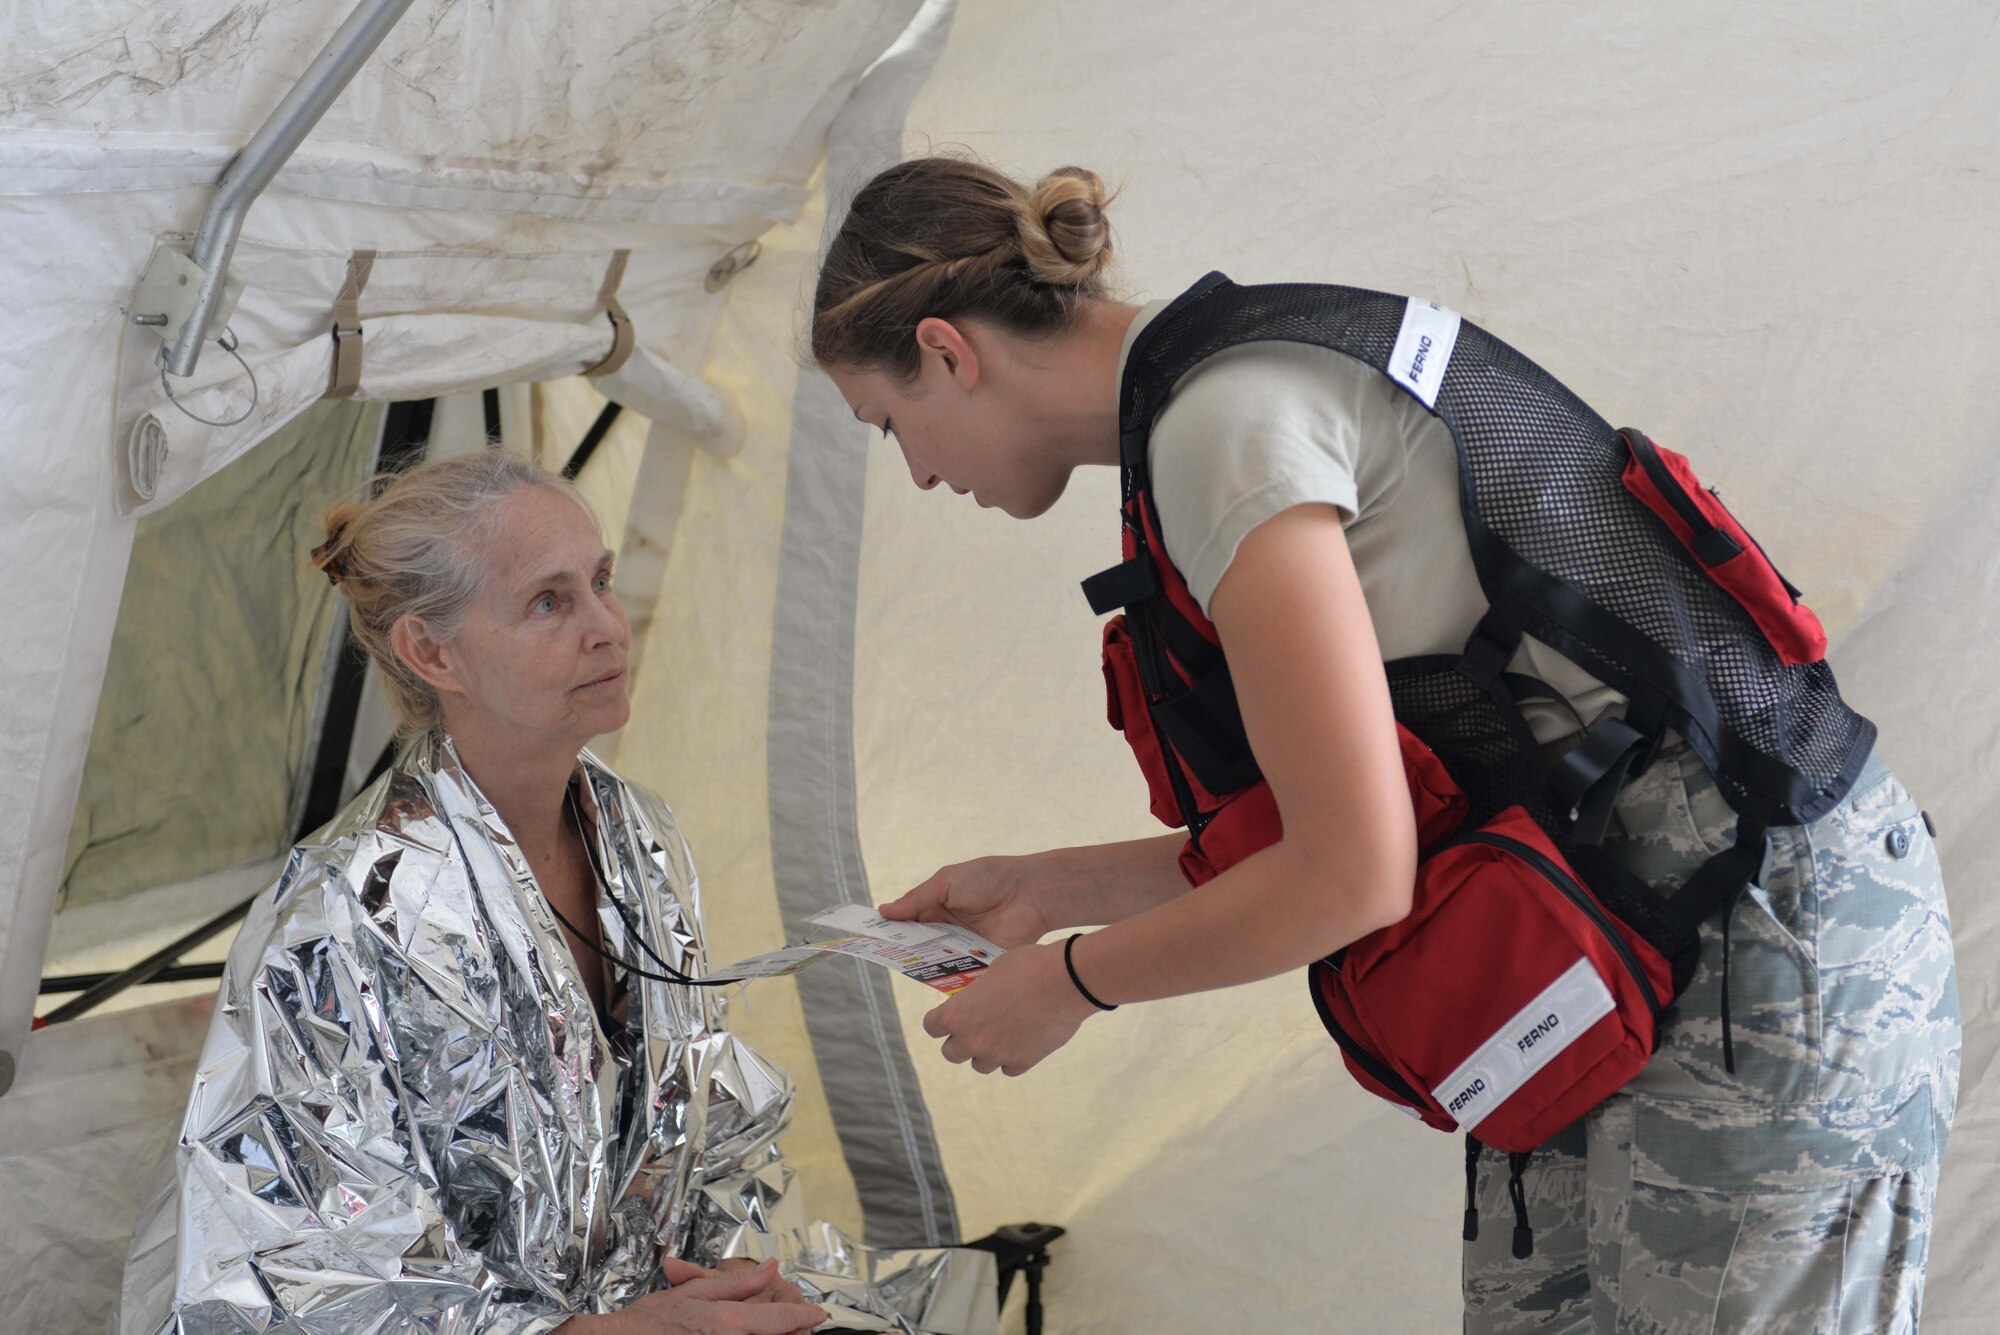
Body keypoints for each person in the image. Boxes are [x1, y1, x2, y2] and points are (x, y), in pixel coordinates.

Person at [810, 156, 1961, 1331]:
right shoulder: (1236, 376)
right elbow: (1368, 817)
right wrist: (1042, 891)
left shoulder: (1221, 428)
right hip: (1623, 934)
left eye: (887, 423)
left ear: (948, 352)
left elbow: (1349, 876)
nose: (915, 471)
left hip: (1749, 944)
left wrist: (1069, 985)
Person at [117, 453, 980, 1335]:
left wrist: (727, 1287)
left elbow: (694, 1123)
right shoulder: (335, 917)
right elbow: (297, 1288)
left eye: (600, 580)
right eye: (549, 601)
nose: (609, 625)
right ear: (431, 650)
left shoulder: (638, 835)